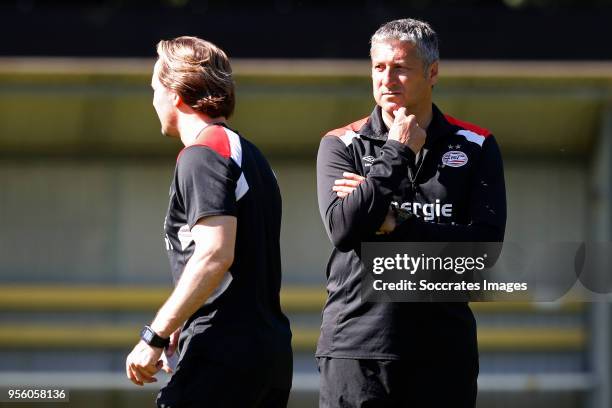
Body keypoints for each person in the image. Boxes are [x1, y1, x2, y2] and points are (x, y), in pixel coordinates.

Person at [316, 18, 506, 407]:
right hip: (357, 348)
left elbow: (482, 253)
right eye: (379, 67)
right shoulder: (342, 144)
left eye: (400, 67)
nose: (387, 79)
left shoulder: (476, 144)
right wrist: (398, 151)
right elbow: (343, 229)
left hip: (443, 353)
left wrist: (394, 224)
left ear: (432, 72)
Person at [125, 36, 292, 408]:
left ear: (177, 94)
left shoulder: (203, 153)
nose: (152, 99)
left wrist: (154, 334)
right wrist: (182, 323)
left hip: (222, 353)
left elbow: (215, 254)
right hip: (267, 355)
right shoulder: (250, 154)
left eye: (155, 89)